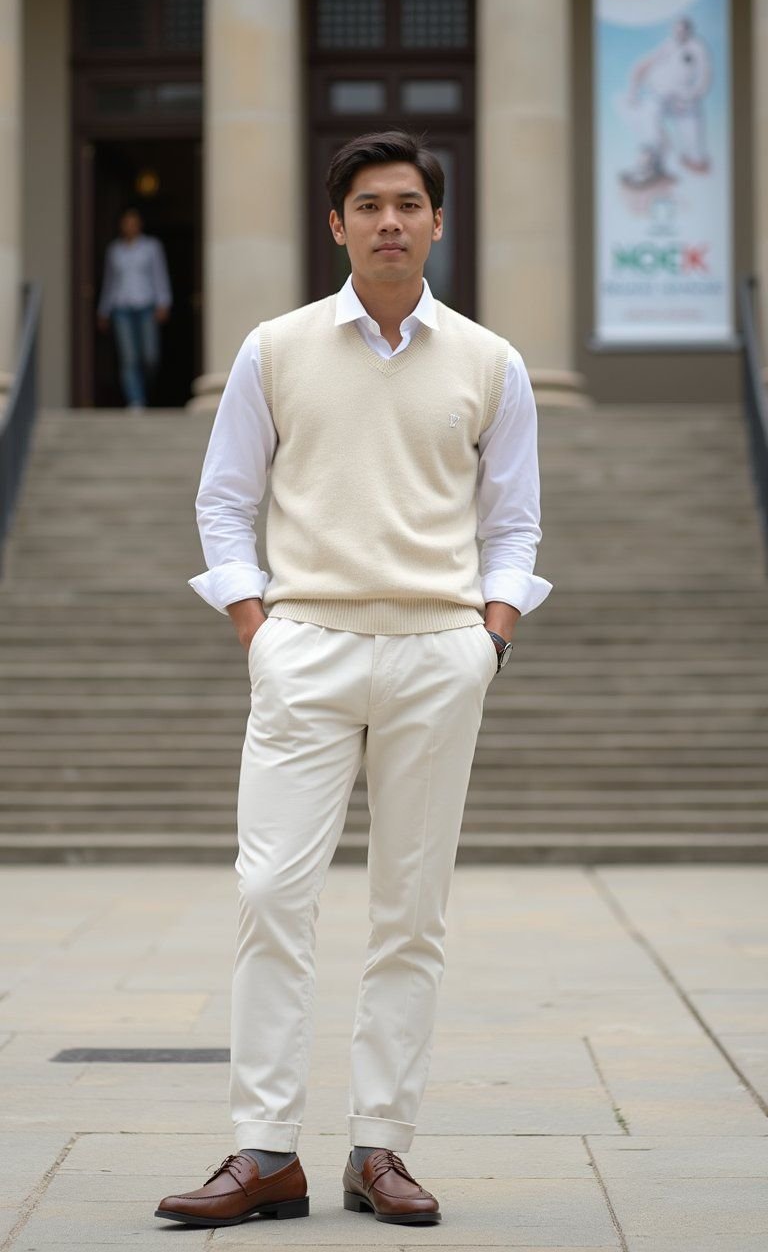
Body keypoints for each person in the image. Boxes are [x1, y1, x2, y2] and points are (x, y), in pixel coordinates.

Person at [155, 130, 552, 1229]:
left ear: (436, 223)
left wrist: (493, 633)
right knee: (272, 893)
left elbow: (512, 520)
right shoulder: (275, 348)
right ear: (335, 225)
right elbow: (224, 500)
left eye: (408, 204)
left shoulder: (490, 360)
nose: (388, 221)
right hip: (308, 646)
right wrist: (257, 624)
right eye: (367, 204)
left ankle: (382, 1146)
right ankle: (264, 1150)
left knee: (409, 913)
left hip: (439, 651)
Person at [619, 16, 713, 188]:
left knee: (693, 144)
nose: (679, 33)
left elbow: (704, 77)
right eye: (676, 30)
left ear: (689, 30)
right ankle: (648, 167)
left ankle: (693, 161)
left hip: (685, 100)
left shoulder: (698, 47)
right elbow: (646, 64)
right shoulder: (668, 44)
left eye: (683, 30)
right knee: (649, 121)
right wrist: (633, 89)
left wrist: (690, 95)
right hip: (659, 94)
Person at [96, 206, 172, 409]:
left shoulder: (151, 247)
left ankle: (146, 390)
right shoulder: (115, 251)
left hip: (146, 305)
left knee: (150, 356)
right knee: (129, 357)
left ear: (139, 224)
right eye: (126, 222)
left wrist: (163, 301)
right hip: (121, 308)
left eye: (133, 222)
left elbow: (159, 275)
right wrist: (103, 310)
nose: (130, 226)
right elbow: (110, 282)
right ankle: (136, 399)